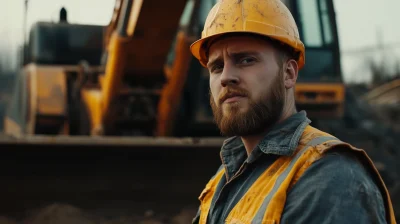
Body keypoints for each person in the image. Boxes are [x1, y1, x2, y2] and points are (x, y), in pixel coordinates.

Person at [189, 0, 396, 223]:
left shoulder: (330, 176)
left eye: (246, 60)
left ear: (289, 74)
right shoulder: (224, 178)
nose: (226, 77)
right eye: (216, 67)